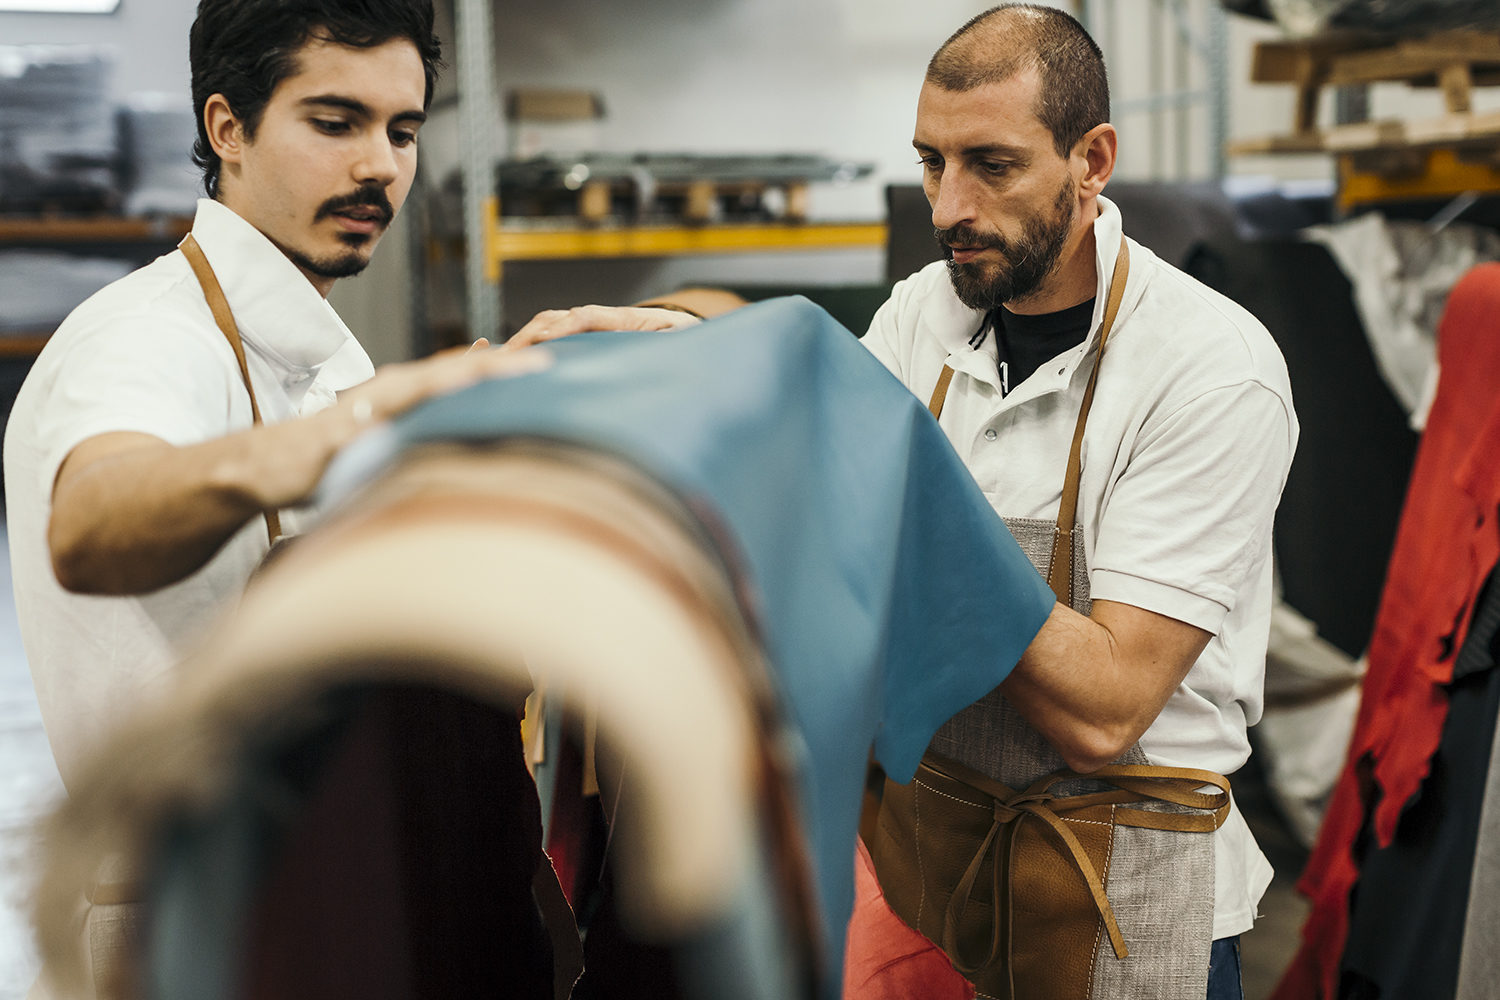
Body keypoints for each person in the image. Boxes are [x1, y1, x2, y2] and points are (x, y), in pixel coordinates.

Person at [516, 6, 1296, 999]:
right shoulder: (922, 313)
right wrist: (698, 356)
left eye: (992, 165)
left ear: (1092, 158)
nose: (948, 204)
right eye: (932, 161)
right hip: (938, 863)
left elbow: (1106, 705)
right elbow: (830, 505)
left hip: (1119, 895)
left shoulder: (1209, 369)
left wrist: (912, 490)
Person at [4, 0, 551, 794]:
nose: (382, 167)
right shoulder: (144, 339)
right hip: (194, 902)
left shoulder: (318, 347)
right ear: (229, 129)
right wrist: (367, 423)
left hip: (317, 862)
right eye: (336, 123)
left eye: (402, 132)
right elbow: (93, 521)